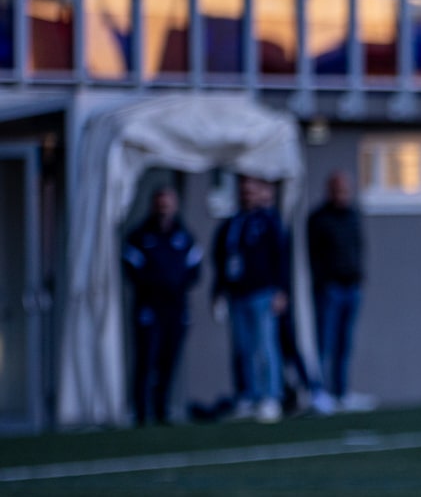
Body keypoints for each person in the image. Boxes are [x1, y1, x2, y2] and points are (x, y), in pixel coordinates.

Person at [211, 175, 291, 423]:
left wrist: (281, 289)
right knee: (242, 349)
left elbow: (282, 257)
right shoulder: (233, 223)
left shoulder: (269, 221)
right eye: (243, 191)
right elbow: (220, 259)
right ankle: (248, 395)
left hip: (262, 292)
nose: (247, 196)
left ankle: (271, 396)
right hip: (237, 293)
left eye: (251, 191)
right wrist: (218, 291)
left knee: (265, 346)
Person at [121, 187, 203, 425]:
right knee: (147, 359)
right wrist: (157, 284)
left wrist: (176, 285)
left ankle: (162, 408)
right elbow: (132, 268)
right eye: (160, 204)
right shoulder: (140, 236)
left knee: (169, 360)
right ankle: (140, 411)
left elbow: (194, 269)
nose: (164, 209)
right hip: (149, 307)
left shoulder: (183, 236)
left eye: (168, 204)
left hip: (175, 307)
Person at [306, 171, 369, 412]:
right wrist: (322, 281)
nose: (342, 195)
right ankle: (319, 393)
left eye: (345, 190)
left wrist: (359, 275)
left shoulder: (352, 216)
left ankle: (342, 392)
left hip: (351, 285)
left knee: (345, 344)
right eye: (337, 190)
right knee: (325, 343)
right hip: (329, 288)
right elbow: (312, 255)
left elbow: (358, 246)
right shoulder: (320, 219)